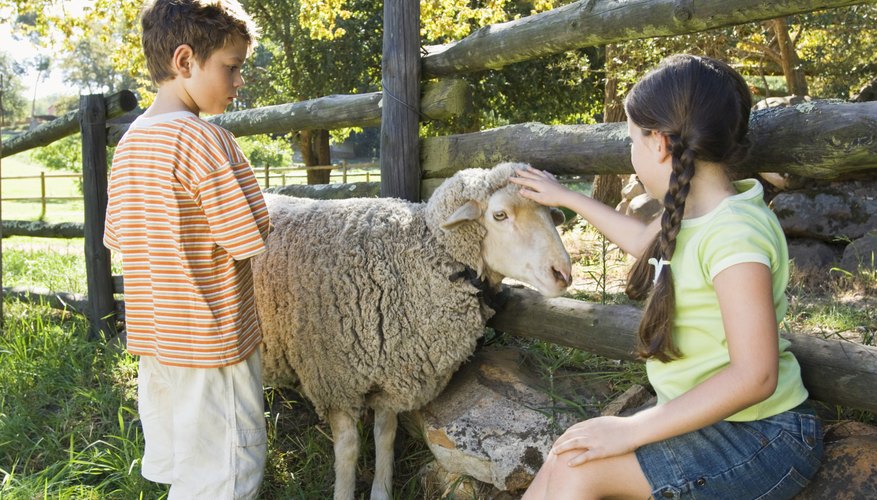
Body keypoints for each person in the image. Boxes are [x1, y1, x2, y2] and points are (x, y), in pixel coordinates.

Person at [511, 54, 823, 499]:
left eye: (631, 139)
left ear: (658, 143)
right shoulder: (693, 211)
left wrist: (631, 430)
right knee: (570, 453)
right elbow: (641, 241)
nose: (631, 151)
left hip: (763, 435)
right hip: (718, 420)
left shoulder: (734, 234)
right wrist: (565, 197)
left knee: (578, 470)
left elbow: (756, 376)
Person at [103, 0, 271, 497]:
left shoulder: (131, 142)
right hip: (211, 339)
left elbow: (120, 236)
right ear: (184, 62)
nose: (239, 81)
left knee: (187, 466)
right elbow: (248, 237)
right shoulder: (204, 141)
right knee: (226, 470)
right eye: (232, 67)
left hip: (157, 341)